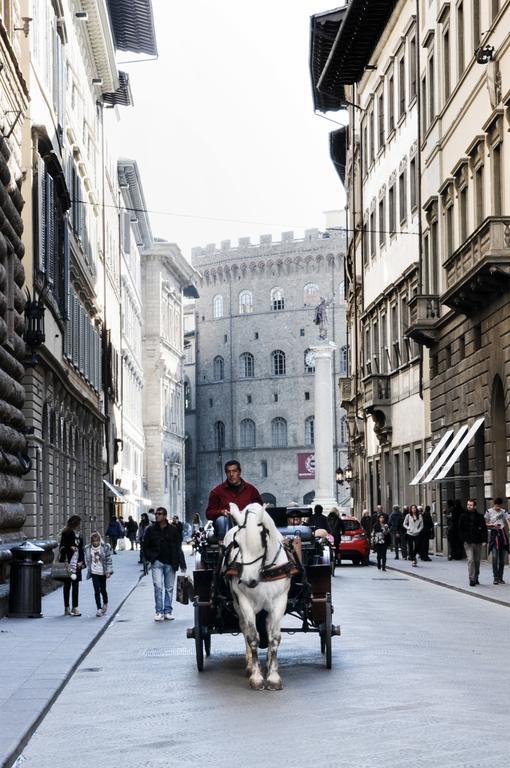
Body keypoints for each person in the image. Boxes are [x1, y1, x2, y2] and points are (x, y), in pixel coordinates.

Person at [143, 506, 187, 621]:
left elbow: (178, 547)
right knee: (158, 586)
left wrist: (182, 564)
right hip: (156, 562)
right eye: (156, 513)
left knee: (169, 588)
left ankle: (167, 611)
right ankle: (159, 611)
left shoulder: (173, 530)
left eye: (160, 513)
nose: (157, 515)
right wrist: (150, 558)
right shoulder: (150, 529)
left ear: (165, 516)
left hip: (170, 563)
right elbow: (145, 546)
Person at [206, 459, 262, 539]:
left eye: (234, 471)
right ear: (226, 473)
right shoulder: (216, 492)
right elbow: (209, 513)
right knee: (221, 521)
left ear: (239, 472)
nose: (231, 474)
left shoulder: (251, 490)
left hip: (248, 525)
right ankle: (224, 547)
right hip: (226, 526)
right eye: (228, 472)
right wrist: (221, 512)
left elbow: (259, 508)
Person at [58, 515, 84, 616]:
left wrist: (82, 562)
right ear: (75, 524)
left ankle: (75, 607)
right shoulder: (66, 533)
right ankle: (67, 607)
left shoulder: (79, 536)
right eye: (79, 524)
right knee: (67, 586)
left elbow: (81, 550)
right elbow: (62, 548)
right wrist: (70, 548)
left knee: (76, 585)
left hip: (77, 565)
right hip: (68, 564)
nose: (80, 526)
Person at [459, 498, 488, 587]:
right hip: (468, 542)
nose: (469, 506)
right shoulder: (463, 516)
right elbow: (460, 529)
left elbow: (484, 529)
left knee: (477, 561)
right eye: (468, 504)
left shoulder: (480, 516)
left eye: (471, 505)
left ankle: (476, 577)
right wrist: (463, 539)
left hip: (478, 541)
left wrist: (484, 540)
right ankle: (471, 579)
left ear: (474, 506)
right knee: (471, 560)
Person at [84, 532, 113, 617]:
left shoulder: (104, 548)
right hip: (94, 572)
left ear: (100, 541)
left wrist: (109, 571)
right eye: (94, 541)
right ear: (91, 541)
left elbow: (109, 560)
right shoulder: (88, 549)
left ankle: (105, 603)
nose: (95, 543)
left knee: (103, 589)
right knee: (96, 590)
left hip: (103, 572)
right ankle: (99, 609)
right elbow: (87, 560)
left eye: (97, 541)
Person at [485, 497, 510, 585]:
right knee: (495, 557)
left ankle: (500, 577)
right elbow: (485, 523)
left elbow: (508, 520)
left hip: (502, 535)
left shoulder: (503, 511)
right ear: (494, 504)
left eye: (499, 506)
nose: (498, 507)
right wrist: (492, 525)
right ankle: (495, 577)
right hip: (493, 535)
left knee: (502, 559)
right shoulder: (489, 512)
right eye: (497, 506)